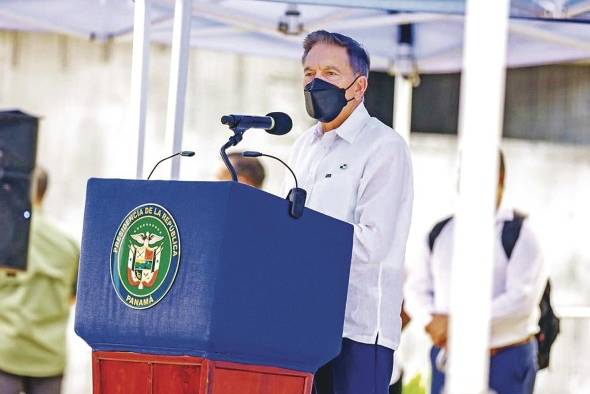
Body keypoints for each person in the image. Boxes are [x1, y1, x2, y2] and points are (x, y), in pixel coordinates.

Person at [287, 30, 413, 394]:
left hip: (357, 331)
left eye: (330, 73)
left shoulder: (384, 148)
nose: (316, 83)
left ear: (359, 87)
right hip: (300, 322)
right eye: (309, 74)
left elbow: (372, 244)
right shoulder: (303, 146)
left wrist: (303, 237)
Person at [405, 152, 547, 394]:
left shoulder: (521, 234)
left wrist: (458, 325)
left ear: (500, 177)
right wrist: (433, 322)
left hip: (504, 361)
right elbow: (415, 289)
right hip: (448, 358)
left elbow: (521, 300)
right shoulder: (441, 233)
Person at [0, 167, 79, 394]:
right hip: (49, 357)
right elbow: (73, 297)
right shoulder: (68, 244)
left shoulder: (7, 238)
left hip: (7, 352)